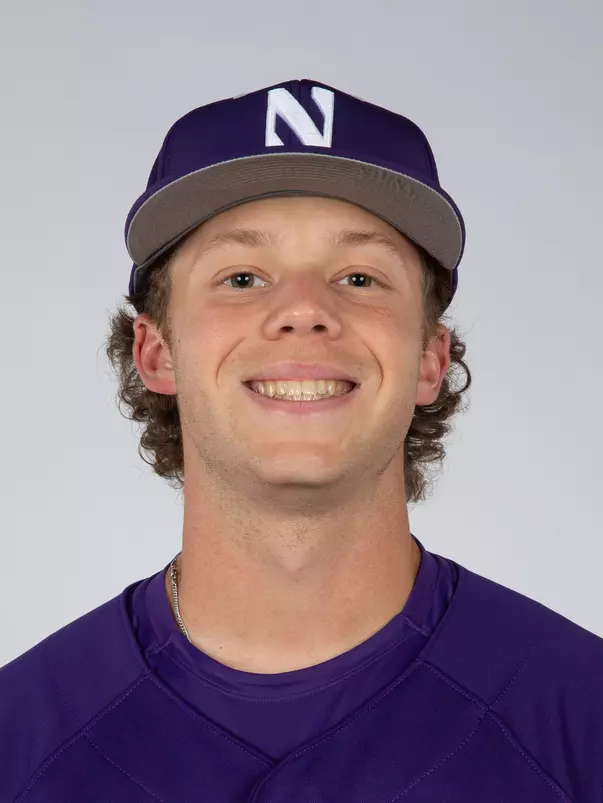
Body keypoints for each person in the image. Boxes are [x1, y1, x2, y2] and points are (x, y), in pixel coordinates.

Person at [1, 78, 601, 803]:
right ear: (155, 352)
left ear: (429, 359)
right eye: (243, 275)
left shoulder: (579, 717)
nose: (305, 310)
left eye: (359, 275)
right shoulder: (21, 738)